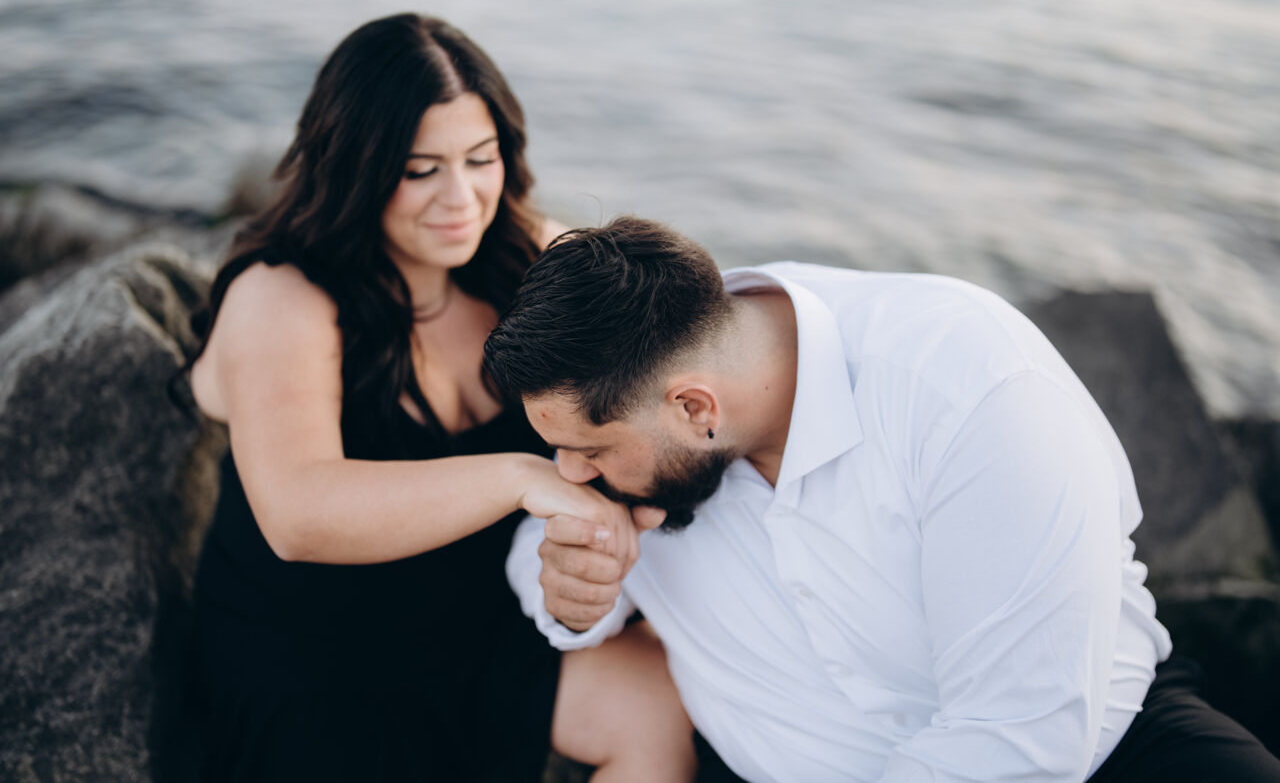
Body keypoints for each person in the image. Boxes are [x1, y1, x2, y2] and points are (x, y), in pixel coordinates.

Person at [484, 217, 1280, 782]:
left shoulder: (970, 390)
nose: (569, 475)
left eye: (590, 452)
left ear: (697, 409)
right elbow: (539, 556)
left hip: (1107, 757)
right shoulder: (658, 388)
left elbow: (1022, 738)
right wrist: (577, 592)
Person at [184, 18, 695, 781]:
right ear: (355, 167)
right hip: (313, 649)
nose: (461, 198)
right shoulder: (280, 295)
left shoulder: (530, 257)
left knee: (656, 707)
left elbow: (670, 377)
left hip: (478, 617)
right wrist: (521, 478)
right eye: (420, 170)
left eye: (480, 159)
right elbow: (296, 513)